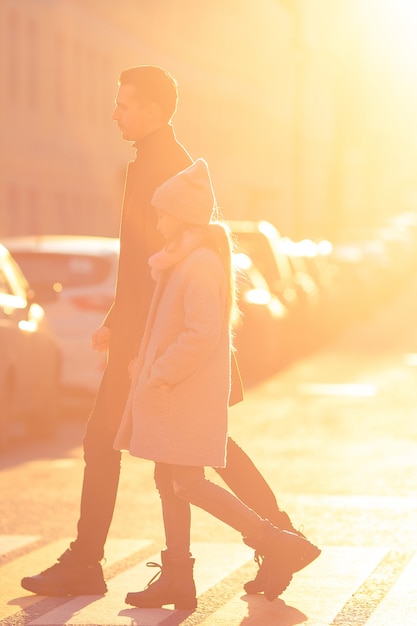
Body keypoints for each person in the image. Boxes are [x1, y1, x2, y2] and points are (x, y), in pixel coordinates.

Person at [21, 65, 317, 599]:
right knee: (194, 449)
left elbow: (149, 261)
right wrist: (117, 321)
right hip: (145, 328)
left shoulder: (161, 168)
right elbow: (143, 259)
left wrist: (132, 337)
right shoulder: (160, 161)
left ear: (154, 111)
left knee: (131, 446)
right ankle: (271, 541)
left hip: (156, 335)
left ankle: (95, 561)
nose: (115, 112)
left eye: (125, 104)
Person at [114, 158, 320, 609]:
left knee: (185, 482)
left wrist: (159, 372)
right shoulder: (182, 260)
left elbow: (202, 333)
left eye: (163, 211)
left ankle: (275, 540)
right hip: (174, 393)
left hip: (181, 393)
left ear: (183, 216)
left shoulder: (199, 263)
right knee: (170, 480)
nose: (157, 219)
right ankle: (177, 576)